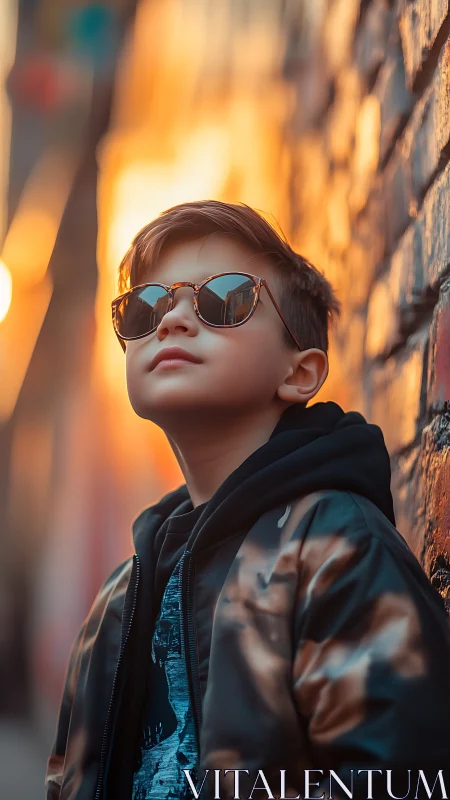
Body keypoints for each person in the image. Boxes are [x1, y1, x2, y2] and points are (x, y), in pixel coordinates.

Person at [45, 200, 450, 800]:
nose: (173, 320)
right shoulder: (115, 603)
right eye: (145, 306)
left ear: (301, 373)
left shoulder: (336, 549)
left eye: (224, 299)